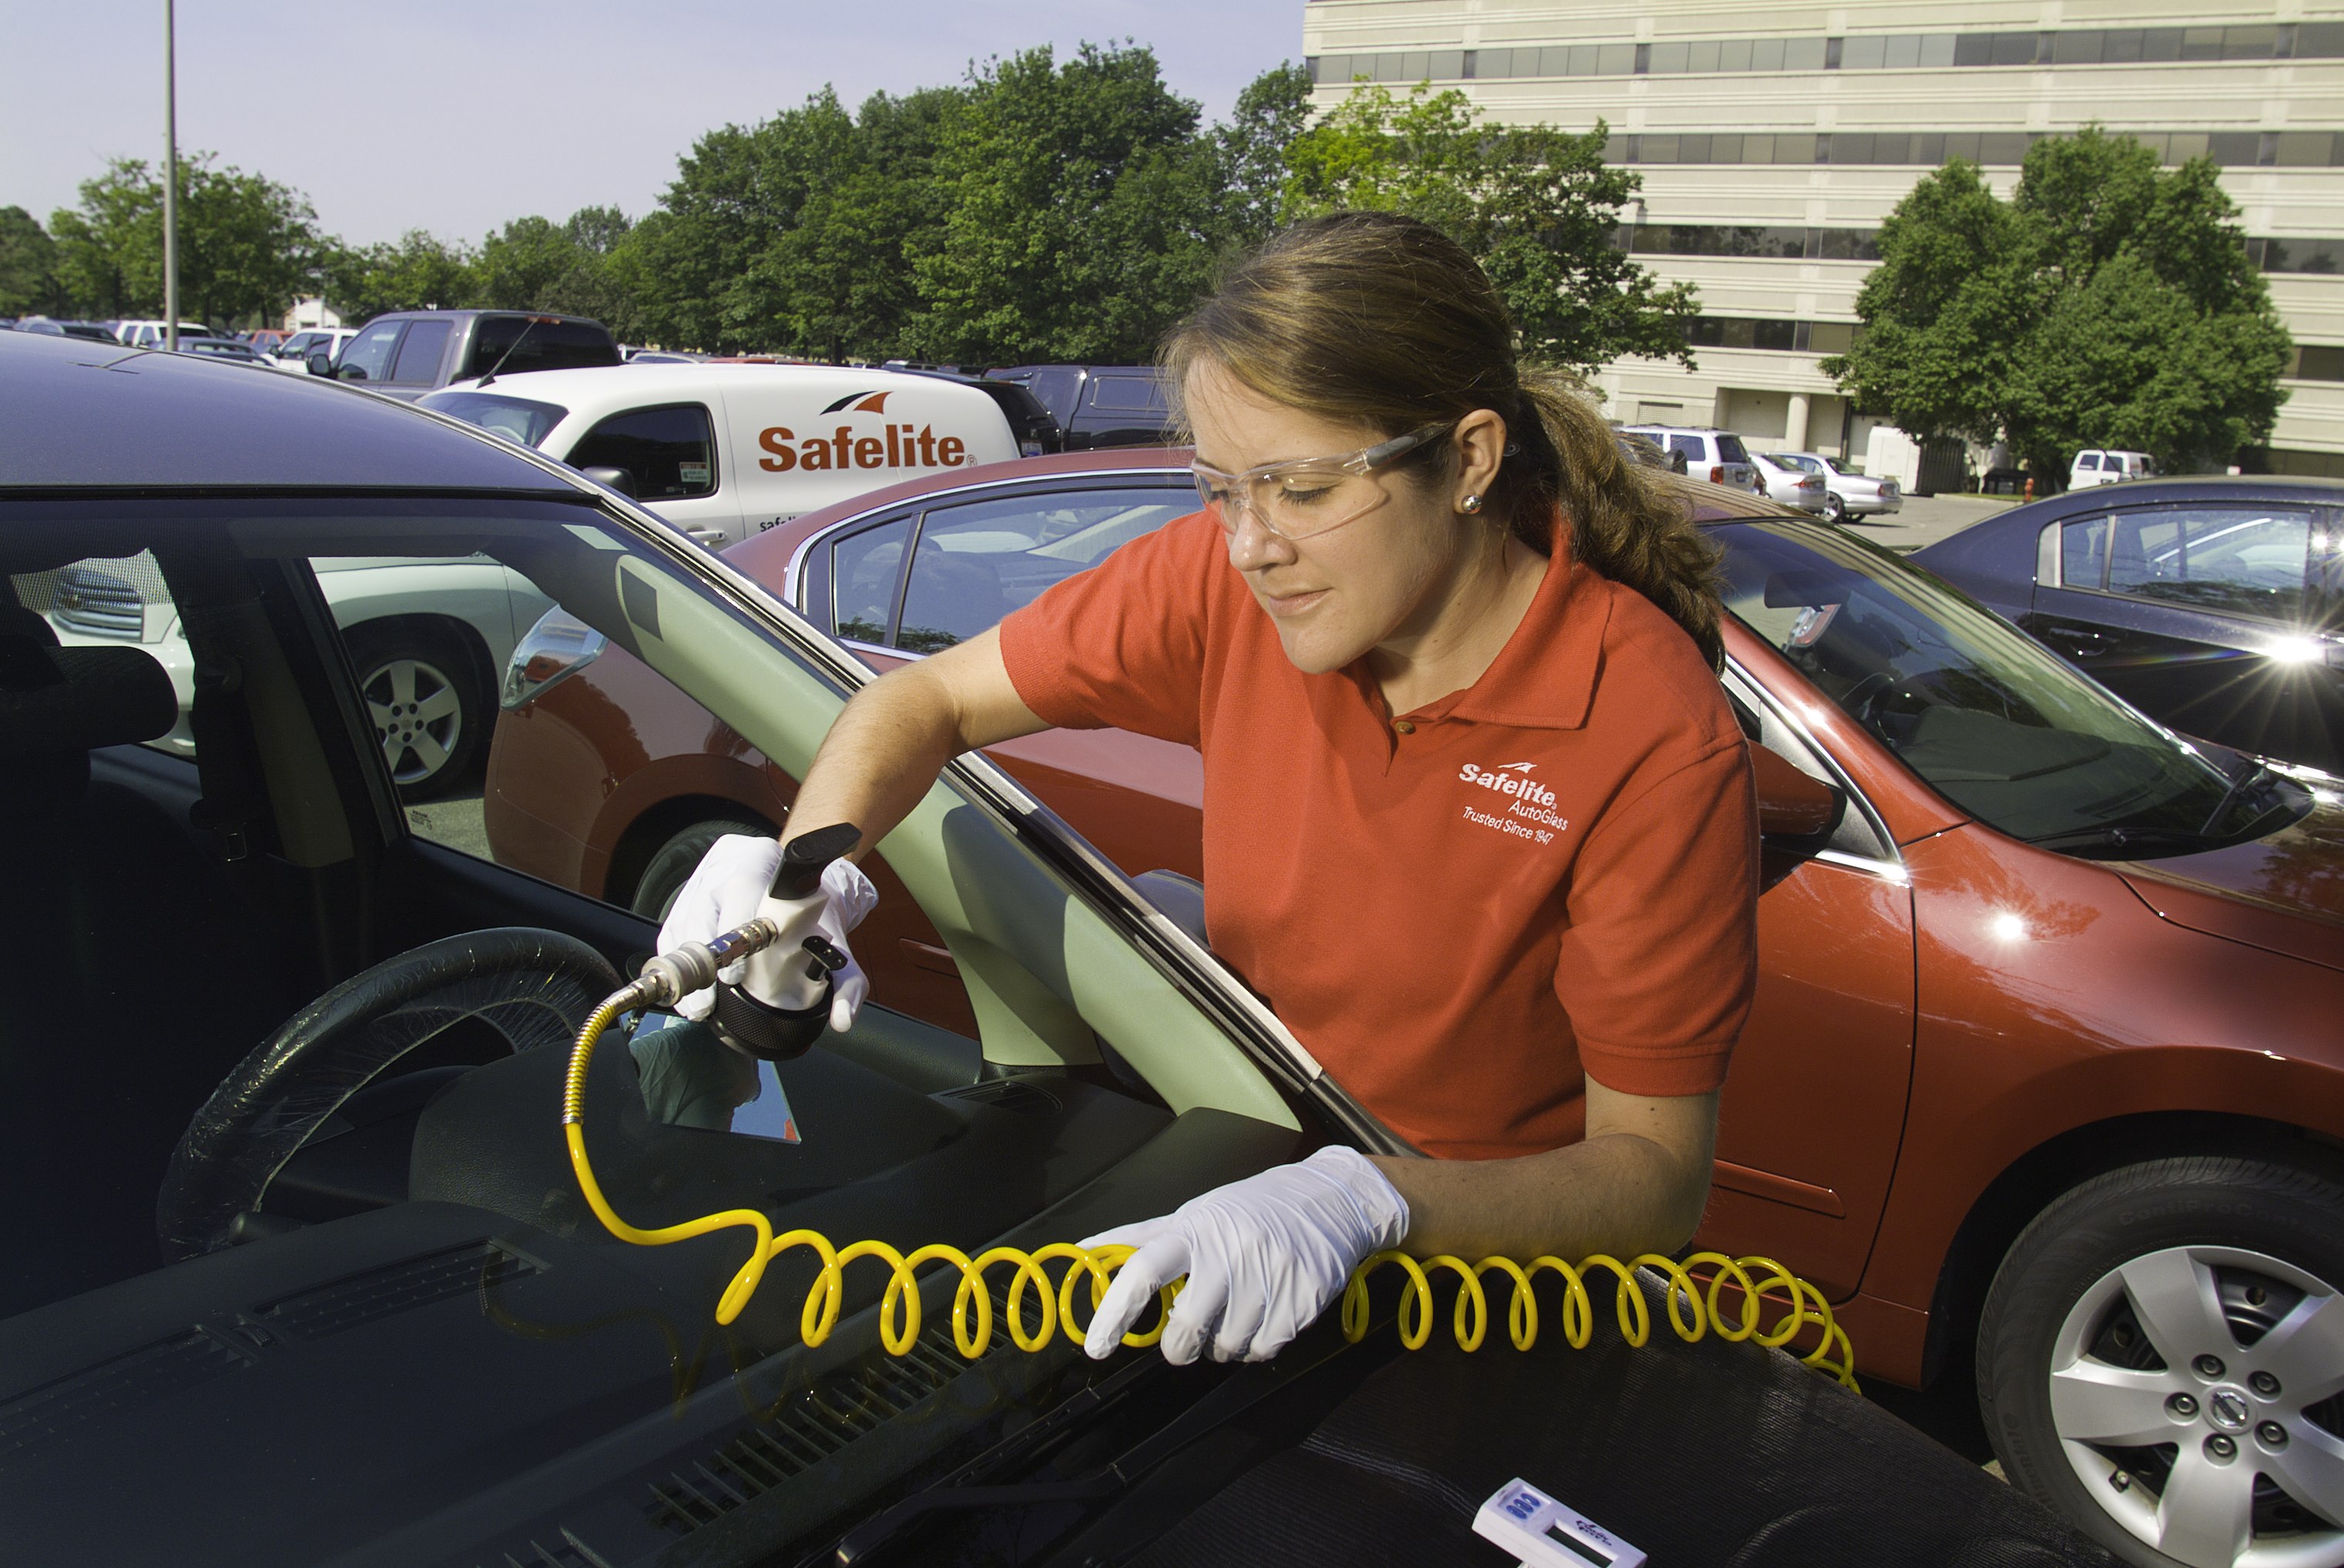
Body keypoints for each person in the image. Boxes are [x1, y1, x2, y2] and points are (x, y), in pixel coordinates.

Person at [662, 212, 1759, 1368]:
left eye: (1297, 488)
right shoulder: (1225, 585)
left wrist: (1373, 1203)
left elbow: (1652, 1182)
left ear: (1472, 460)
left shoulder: (1647, 732)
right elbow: (922, 701)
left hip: (1479, 1290)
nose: (1248, 545)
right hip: (1244, 1179)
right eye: (1219, 489)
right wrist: (800, 873)